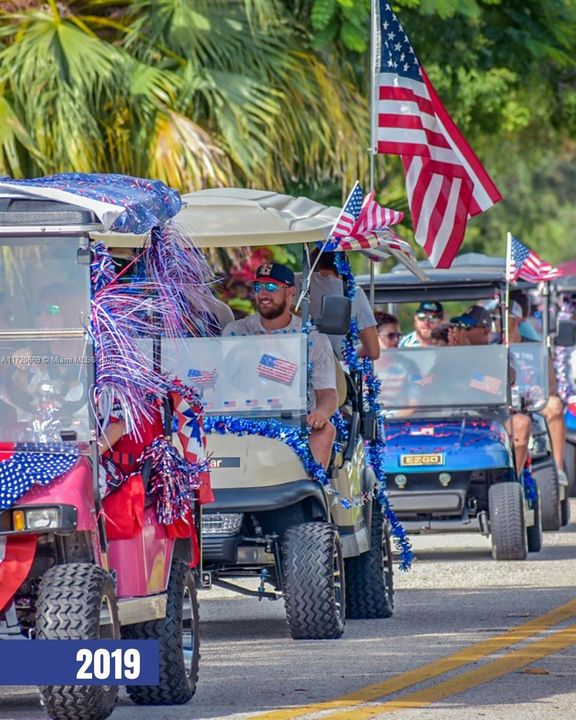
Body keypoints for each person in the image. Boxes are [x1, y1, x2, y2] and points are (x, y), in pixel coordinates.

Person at [223, 262, 337, 468]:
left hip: (294, 420)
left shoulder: (312, 338)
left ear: (291, 292)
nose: (264, 294)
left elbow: (328, 393)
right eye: (259, 288)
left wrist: (321, 413)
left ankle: (310, 490)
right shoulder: (236, 332)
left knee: (325, 430)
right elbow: (225, 381)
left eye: (272, 288)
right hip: (242, 417)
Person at [449, 304, 532, 476]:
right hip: (451, 414)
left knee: (521, 424)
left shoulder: (500, 353)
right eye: (458, 327)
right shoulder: (446, 353)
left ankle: (510, 480)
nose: (460, 332)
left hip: (491, 415)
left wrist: (469, 359)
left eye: (467, 327)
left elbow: (499, 385)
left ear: (485, 331)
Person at [508, 298, 567, 481]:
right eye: (496, 317)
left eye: (506, 316)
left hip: (532, 400)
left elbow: (551, 385)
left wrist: (538, 391)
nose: (499, 322)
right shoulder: (492, 347)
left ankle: (558, 469)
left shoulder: (535, 347)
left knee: (555, 404)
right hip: (505, 402)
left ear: (517, 319)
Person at [294, 251, 380, 360]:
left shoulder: (292, 283)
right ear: (344, 267)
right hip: (331, 367)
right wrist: (344, 353)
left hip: (290, 361)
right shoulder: (353, 293)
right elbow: (373, 352)